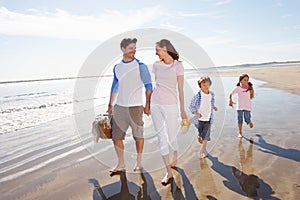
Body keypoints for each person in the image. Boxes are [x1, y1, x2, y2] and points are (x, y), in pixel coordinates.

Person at [107, 38, 153, 172]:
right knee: (116, 137)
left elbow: (148, 86)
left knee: (138, 136)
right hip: (119, 107)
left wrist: (147, 105)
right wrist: (110, 104)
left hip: (136, 107)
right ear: (123, 49)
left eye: (135, 47)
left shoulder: (140, 66)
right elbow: (115, 86)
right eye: (130, 48)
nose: (134, 50)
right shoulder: (117, 67)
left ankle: (139, 162)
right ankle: (121, 164)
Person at [150, 39, 187, 185]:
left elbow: (180, 89)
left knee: (172, 136)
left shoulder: (178, 66)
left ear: (165, 48)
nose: (156, 52)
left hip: (171, 105)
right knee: (161, 137)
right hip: (155, 104)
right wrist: (148, 104)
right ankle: (168, 172)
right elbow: (155, 86)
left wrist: (182, 110)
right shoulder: (156, 65)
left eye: (157, 49)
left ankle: (175, 154)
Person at [189, 77, 217, 159]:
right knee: (201, 134)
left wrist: (214, 107)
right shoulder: (197, 96)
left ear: (210, 85)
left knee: (206, 136)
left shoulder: (211, 94)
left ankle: (203, 150)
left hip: (208, 118)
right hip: (199, 120)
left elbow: (210, 103)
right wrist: (196, 113)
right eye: (204, 85)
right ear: (200, 86)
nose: (206, 87)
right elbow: (191, 106)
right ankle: (199, 136)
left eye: (207, 85)